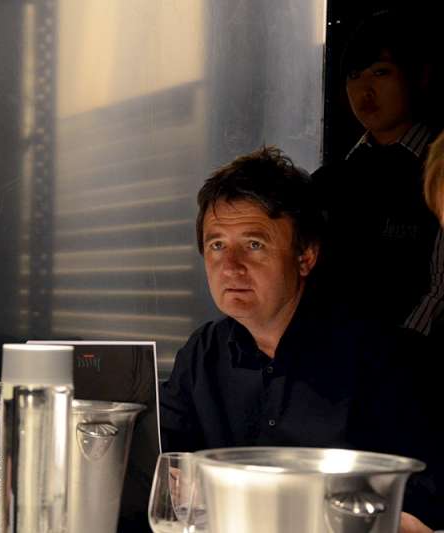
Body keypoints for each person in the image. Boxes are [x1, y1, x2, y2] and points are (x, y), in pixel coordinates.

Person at [160, 147, 442, 529]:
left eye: (254, 244)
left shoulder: (383, 357)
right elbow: (163, 467)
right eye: (217, 245)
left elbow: (422, 503)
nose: (230, 266)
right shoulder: (202, 353)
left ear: (305, 256)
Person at [312, 10, 443, 333]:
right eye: (354, 76)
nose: (364, 90)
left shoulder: (437, 173)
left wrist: (398, 353)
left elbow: (440, 290)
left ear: (420, 76)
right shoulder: (329, 181)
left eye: (380, 72)